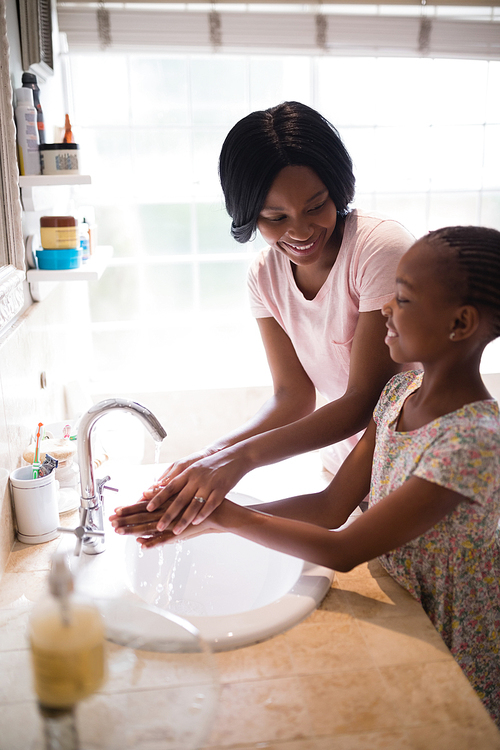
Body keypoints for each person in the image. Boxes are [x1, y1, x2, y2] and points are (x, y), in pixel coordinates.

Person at [111, 226, 500, 727]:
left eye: (401, 298)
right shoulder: (400, 394)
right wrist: (203, 520)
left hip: (459, 638)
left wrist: (227, 514)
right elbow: (329, 508)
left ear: (461, 322)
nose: (383, 308)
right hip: (408, 606)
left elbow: (345, 548)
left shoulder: (474, 439)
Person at [135, 101, 416, 534]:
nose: (301, 232)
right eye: (276, 217)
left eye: (316, 205)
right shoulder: (264, 277)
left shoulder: (379, 249)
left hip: (405, 467)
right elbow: (292, 395)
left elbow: (365, 401)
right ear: (249, 214)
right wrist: (213, 454)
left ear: (337, 188)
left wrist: (237, 459)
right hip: (347, 471)